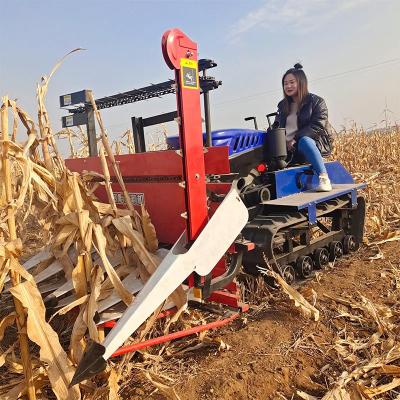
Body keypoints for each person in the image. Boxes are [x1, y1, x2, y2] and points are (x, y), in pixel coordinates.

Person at [276, 63, 333, 191]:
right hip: (288, 149)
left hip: (312, 144)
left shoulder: (317, 102)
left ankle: (324, 178)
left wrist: (295, 139)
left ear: (301, 83)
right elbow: (278, 126)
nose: (288, 86)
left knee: (305, 140)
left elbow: (318, 126)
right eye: (285, 83)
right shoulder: (282, 105)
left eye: (292, 82)